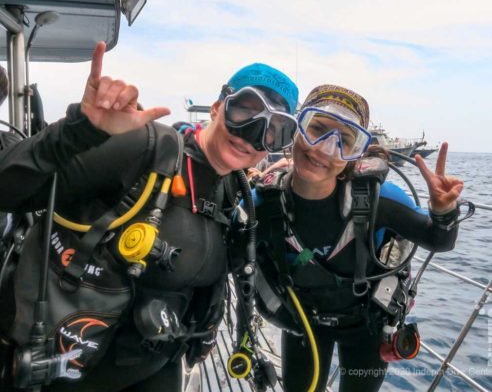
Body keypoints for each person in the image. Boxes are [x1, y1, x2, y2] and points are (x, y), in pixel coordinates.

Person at [0, 41, 298, 391]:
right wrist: (77, 132)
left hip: (155, 367)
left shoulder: (232, 191)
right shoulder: (145, 149)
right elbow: (8, 189)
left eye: (275, 131)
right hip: (61, 371)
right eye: (243, 113)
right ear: (217, 107)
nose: (252, 136)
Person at [251, 85, 464, 391]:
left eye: (344, 142)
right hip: (302, 324)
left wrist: (444, 211)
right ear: (295, 130)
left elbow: (440, 240)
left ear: (355, 156)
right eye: (317, 129)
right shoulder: (263, 203)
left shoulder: (379, 200)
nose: (325, 148)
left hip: (366, 326)